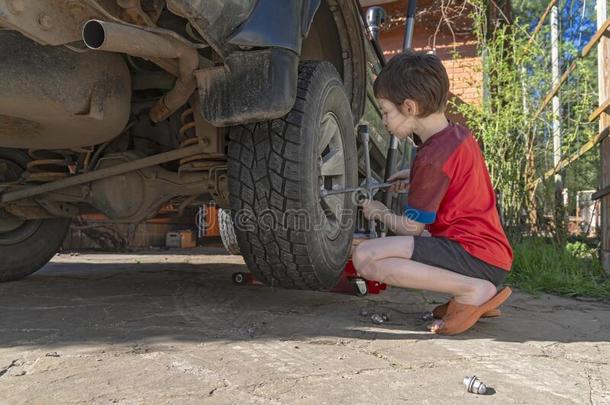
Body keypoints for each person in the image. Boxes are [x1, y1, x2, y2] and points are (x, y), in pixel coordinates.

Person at [352, 50, 513, 335]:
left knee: (366, 257)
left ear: (410, 107)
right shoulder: (457, 135)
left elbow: (411, 229)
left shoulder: (431, 160)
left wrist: (380, 212)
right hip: (488, 253)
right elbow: (453, 183)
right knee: (391, 248)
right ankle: (472, 290)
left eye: (387, 112)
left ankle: (472, 291)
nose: (385, 122)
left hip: (473, 255)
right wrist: (416, 178)